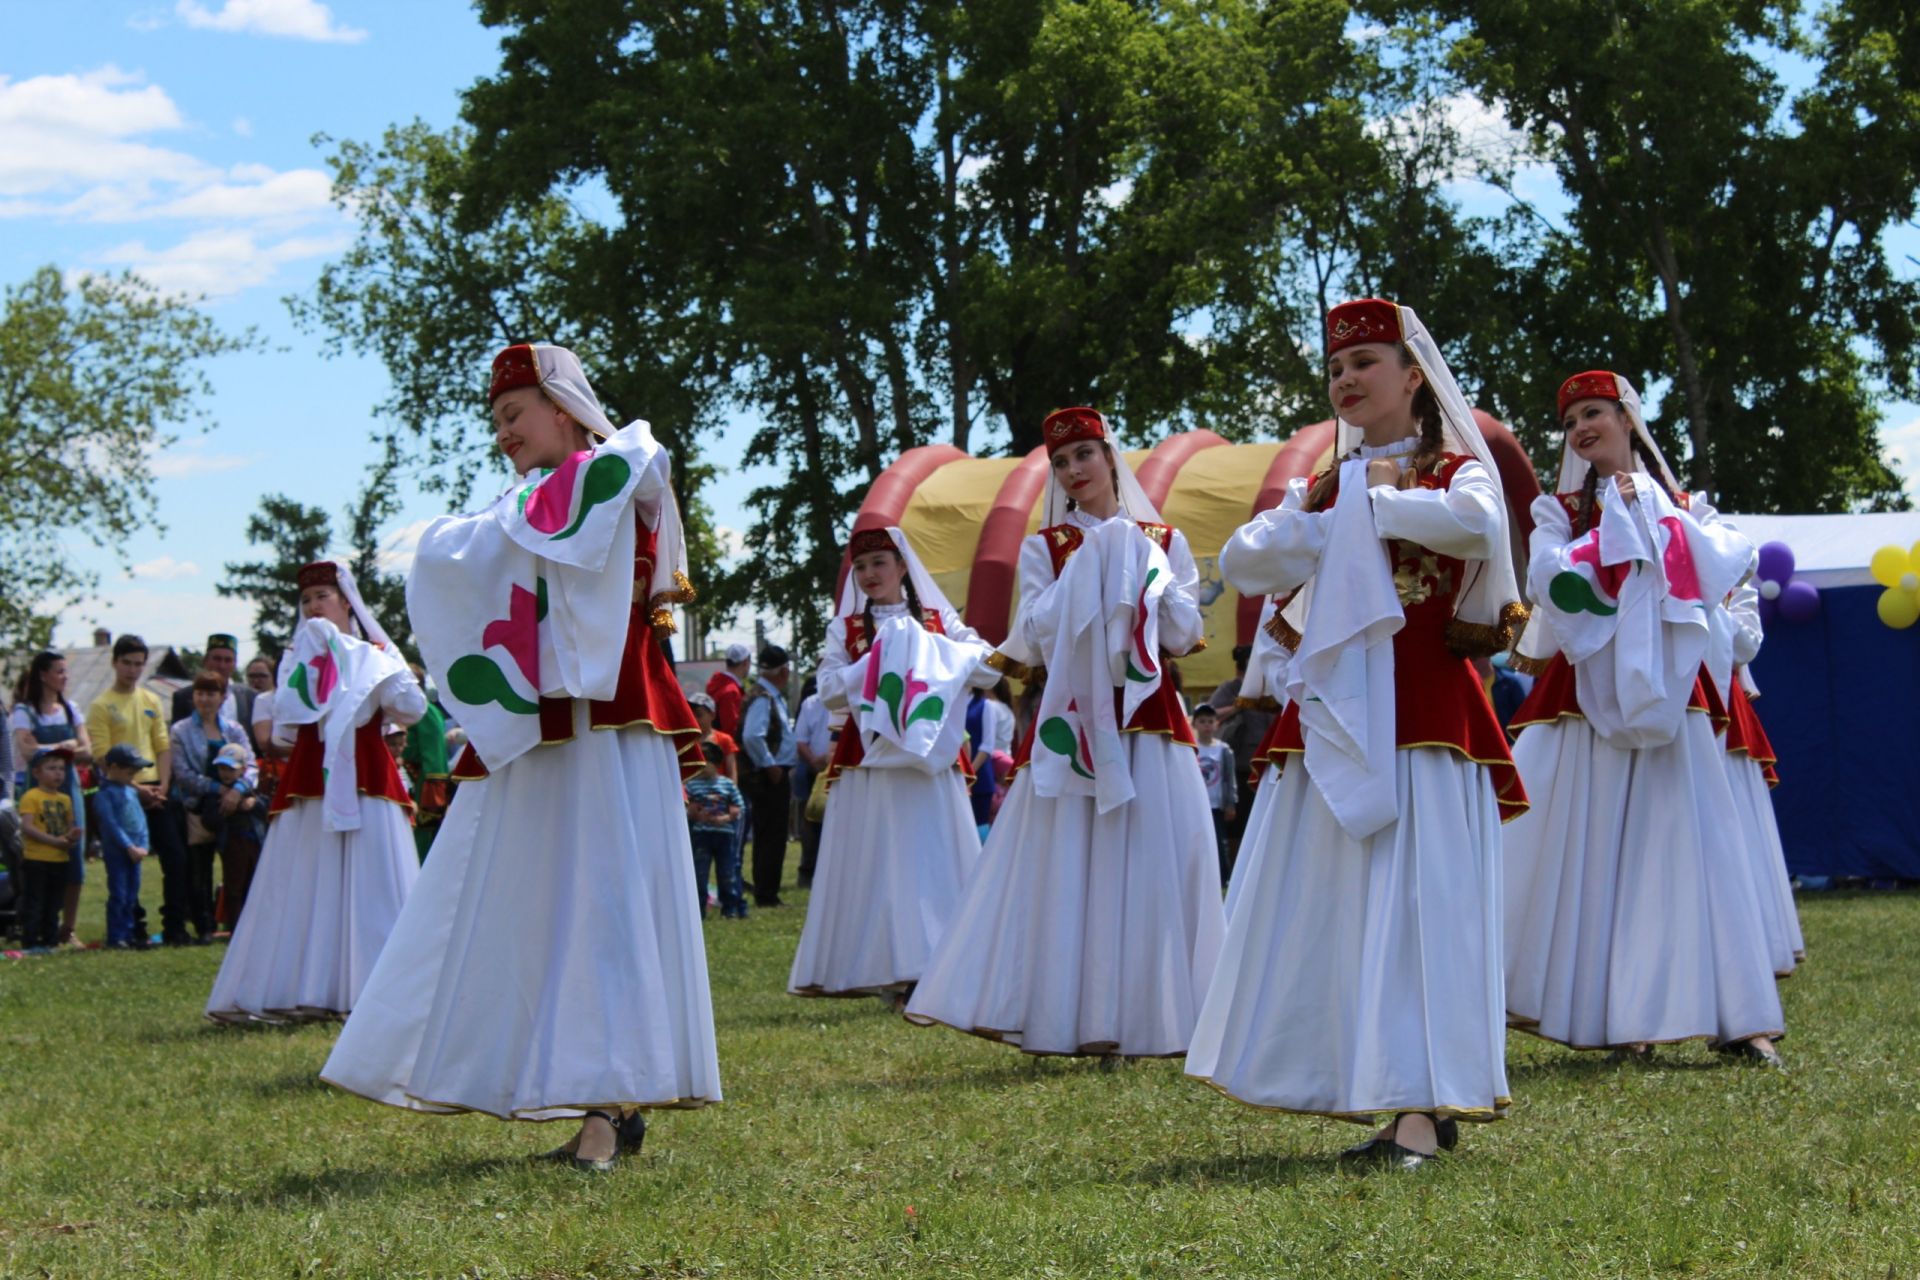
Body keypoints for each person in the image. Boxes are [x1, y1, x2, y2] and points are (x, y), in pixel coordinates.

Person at [323, 342, 718, 1172]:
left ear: (565, 408)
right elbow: (477, 559)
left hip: (606, 730)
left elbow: (622, 475)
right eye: (496, 421)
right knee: (549, 907)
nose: (502, 432)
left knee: (608, 904)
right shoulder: (527, 506)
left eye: (514, 414)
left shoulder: (618, 470)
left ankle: (609, 1108)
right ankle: (594, 1101)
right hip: (545, 729)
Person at [1186, 299, 1530, 1169]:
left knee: (1421, 907)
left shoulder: (1457, 465)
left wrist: (1372, 506)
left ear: (1414, 375)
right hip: (1339, 710)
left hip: (1424, 711)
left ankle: (1423, 1107)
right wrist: (1339, 512)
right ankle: (1376, 1085)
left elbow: (1480, 528)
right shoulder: (1329, 483)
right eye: (1337, 367)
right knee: (1342, 905)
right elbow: (1244, 561)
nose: (1346, 379)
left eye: (1366, 362)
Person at [905, 407, 1225, 1060]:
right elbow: (1036, 632)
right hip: (1075, 722)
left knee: (1158, 858)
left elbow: (1184, 632)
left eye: (1084, 455)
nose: (1074, 471)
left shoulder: (1162, 537)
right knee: (1076, 865)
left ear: (1110, 457)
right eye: (1061, 462)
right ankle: (1079, 1013)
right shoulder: (1043, 548)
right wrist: (1093, 571)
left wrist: (1141, 574)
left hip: (1150, 719)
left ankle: (1162, 1016)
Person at [1502, 369, 1783, 1067]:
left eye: (1594, 413)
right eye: (1571, 422)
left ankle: (1737, 1018)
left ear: (1628, 418)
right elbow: (1547, 583)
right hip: (1587, 688)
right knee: (1590, 850)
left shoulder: (1687, 505)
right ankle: (1613, 1014)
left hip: (1674, 682)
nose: (1581, 429)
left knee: (1692, 841)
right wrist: (1603, 546)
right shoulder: (1557, 510)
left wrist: (1652, 514)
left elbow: (1723, 569)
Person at [205, 560, 425, 1022]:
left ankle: (377, 988)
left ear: (346, 600)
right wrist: (320, 663)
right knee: (304, 879)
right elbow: (286, 727)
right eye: (305, 600)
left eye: (321, 596)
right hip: (312, 780)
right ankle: (295, 986)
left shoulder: (376, 650)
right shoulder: (297, 657)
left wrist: (368, 661)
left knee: (372, 880)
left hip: (366, 776)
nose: (312, 606)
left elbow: (410, 709)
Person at [789, 525, 996, 1003]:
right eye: (860, 567)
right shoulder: (845, 629)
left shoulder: (941, 621)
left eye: (880, 563)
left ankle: (945, 965)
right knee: (878, 861)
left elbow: (984, 665)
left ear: (903, 567)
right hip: (870, 763)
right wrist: (882, 658)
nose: (869, 574)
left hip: (928, 762)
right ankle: (883, 965)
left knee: (934, 858)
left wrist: (931, 649)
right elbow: (828, 689)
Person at [1706, 578, 1803, 978]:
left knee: (1735, 833)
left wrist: (1695, 609)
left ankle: (1745, 945)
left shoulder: (1731, 553)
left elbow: (1746, 644)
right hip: (1661, 699)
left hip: (1724, 711)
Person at [85, 635, 175, 944]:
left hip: (155, 789)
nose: (133, 670)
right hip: (121, 789)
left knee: (174, 856)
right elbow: (101, 756)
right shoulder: (101, 705)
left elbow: (162, 745)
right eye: (127, 663)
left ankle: (174, 925)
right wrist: (137, 789)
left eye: (139, 664)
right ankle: (130, 930)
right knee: (125, 862)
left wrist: (162, 785)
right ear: (114, 663)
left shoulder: (151, 700)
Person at [11, 650, 91, 945]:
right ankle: (41, 923)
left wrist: (48, 746)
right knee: (41, 858)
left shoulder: (71, 709)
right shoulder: (24, 711)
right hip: (38, 791)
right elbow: (27, 751)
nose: (65, 677)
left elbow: (88, 751)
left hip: (69, 791)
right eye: (59, 671)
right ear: (43, 674)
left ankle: (67, 928)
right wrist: (66, 744)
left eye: (66, 671)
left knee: (73, 858)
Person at [170, 669, 255, 941]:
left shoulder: (234, 729)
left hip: (236, 811)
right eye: (200, 693)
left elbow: (252, 765)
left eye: (211, 693)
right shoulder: (180, 730)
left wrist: (239, 790)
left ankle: (238, 922)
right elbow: (182, 773)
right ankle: (204, 926)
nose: (205, 699)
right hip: (200, 809)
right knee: (199, 870)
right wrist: (219, 789)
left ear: (222, 697)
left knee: (238, 869)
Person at [739, 645, 798, 908]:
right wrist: (770, 765)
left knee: (770, 833)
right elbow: (752, 736)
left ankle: (767, 889)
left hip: (772, 771)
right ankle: (766, 893)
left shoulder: (766, 695)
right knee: (770, 834)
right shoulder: (764, 697)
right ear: (783, 671)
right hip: (769, 775)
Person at [15, 748, 81, 952]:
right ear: (36, 773)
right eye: (51, 768)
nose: (58, 773)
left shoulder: (65, 800)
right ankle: (31, 941)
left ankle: (50, 941)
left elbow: (68, 827)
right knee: (35, 903)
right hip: (36, 859)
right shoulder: (31, 796)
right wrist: (54, 841)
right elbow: (27, 827)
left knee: (54, 904)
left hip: (59, 859)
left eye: (61, 769)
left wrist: (71, 837)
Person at [93, 743, 152, 949]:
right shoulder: (104, 795)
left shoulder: (131, 792)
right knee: (119, 892)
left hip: (135, 851)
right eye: (130, 770)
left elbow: (141, 820)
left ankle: (129, 933)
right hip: (118, 852)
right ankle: (116, 936)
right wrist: (128, 846)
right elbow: (110, 825)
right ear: (114, 767)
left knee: (131, 894)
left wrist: (143, 844)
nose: (134, 774)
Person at [202, 743, 265, 928]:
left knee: (255, 886)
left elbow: (267, 808)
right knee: (234, 888)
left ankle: (254, 926)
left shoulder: (251, 790)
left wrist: (253, 803)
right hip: (232, 843)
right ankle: (235, 926)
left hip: (254, 843)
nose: (225, 773)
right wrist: (229, 810)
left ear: (243, 770)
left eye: (231, 769)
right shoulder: (216, 793)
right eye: (222, 768)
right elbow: (209, 819)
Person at [686, 740, 746, 918]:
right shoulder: (691, 785)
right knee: (699, 874)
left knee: (727, 873)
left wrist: (727, 817)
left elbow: (739, 806)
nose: (702, 768)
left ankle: (730, 909)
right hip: (701, 835)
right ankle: (699, 910)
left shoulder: (727, 784)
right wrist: (694, 814)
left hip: (724, 835)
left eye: (706, 764)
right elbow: (686, 809)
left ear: (716, 764)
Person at [400, 664, 453, 862]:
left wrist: (429, 809)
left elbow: (435, 766)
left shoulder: (426, 712)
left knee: (418, 850)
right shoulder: (399, 713)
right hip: (401, 785)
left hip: (419, 793)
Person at [171, 634, 257, 747]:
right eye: (217, 659)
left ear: (235, 664)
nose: (222, 665)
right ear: (205, 661)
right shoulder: (183, 696)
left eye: (228, 660)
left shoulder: (249, 696)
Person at [1190, 704, 1238, 888]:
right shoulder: (1191, 749)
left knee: (1218, 842)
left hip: (1217, 805)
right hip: (1197, 805)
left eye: (1210, 721)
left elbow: (1229, 778)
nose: (1207, 725)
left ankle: (1222, 877)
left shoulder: (1223, 750)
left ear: (1217, 724)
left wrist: (1231, 803)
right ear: (1194, 724)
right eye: (1202, 721)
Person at [791, 674, 829, 888]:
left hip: (840, 769)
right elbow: (800, 739)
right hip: (812, 770)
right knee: (810, 823)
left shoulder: (849, 699)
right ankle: (807, 872)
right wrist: (815, 761)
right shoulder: (810, 703)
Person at [707, 643, 751, 739]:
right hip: (727, 750)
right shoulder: (731, 692)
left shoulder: (720, 684)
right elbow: (730, 730)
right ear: (745, 662)